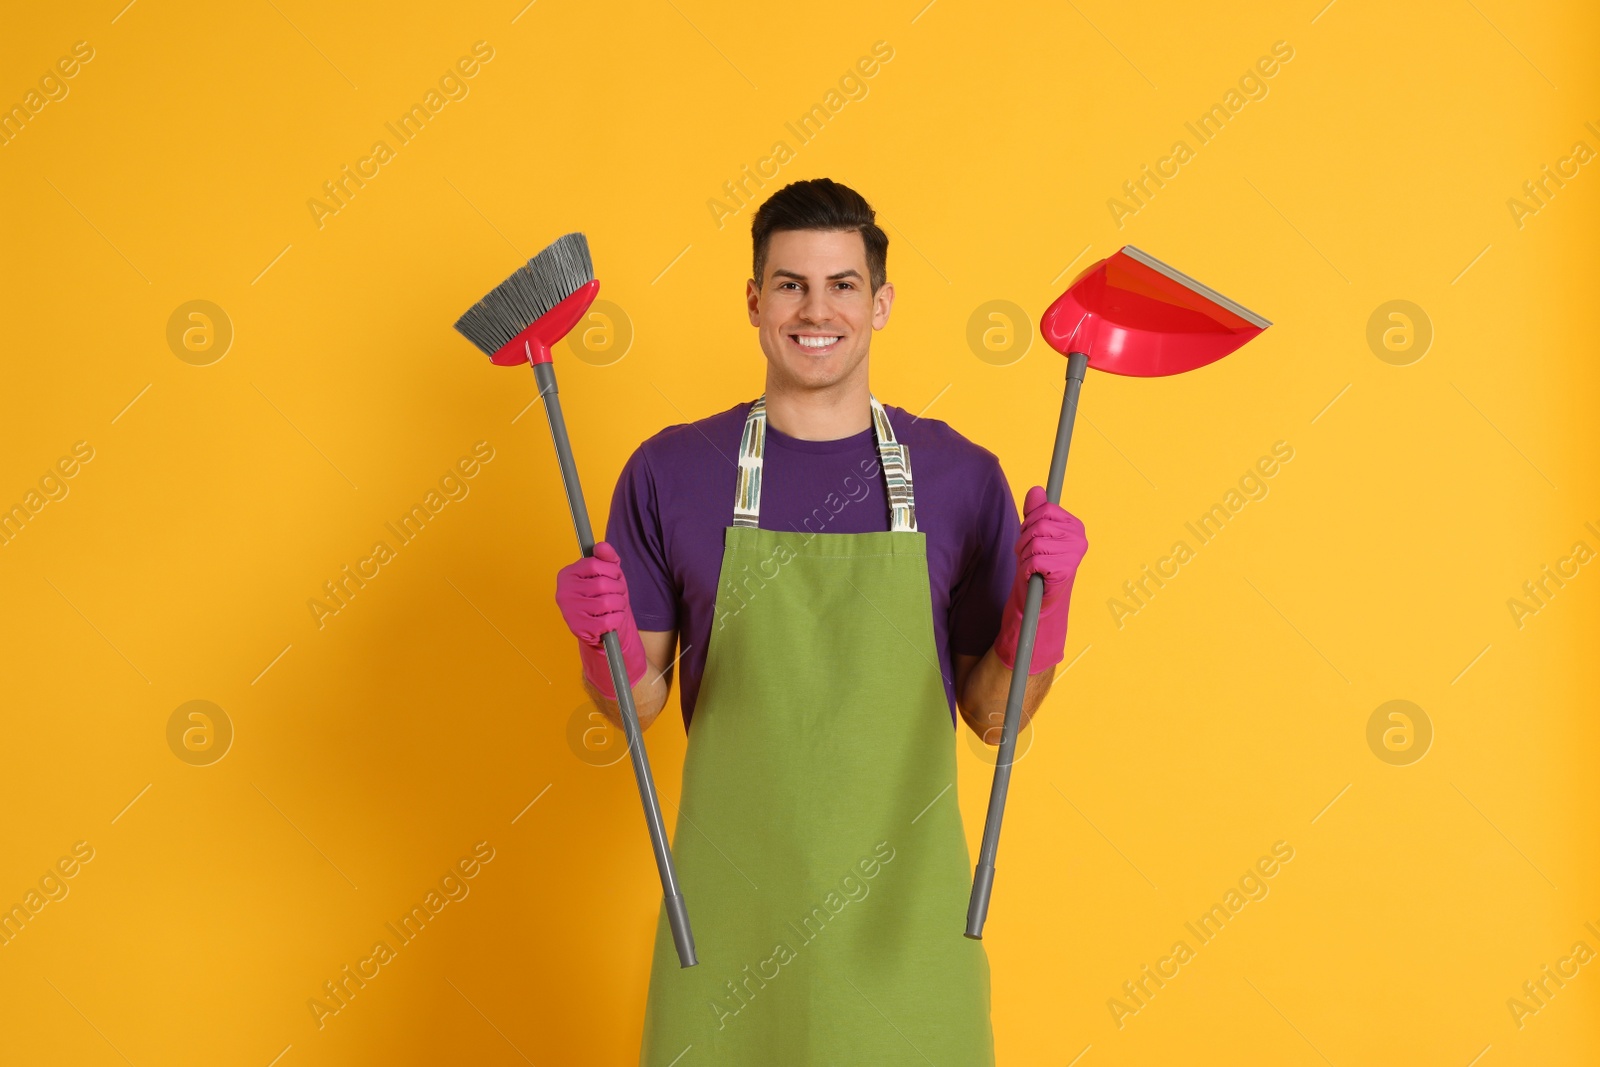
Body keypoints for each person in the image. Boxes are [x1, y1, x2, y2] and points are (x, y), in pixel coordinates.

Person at [554, 177, 1088, 1066]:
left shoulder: (957, 474)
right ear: (754, 301)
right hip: (726, 926)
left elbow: (995, 719)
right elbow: (636, 709)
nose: (817, 309)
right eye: (791, 283)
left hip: (906, 931)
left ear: (880, 303)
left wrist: (1043, 618)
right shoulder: (670, 471)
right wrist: (598, 646)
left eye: (842, 284)